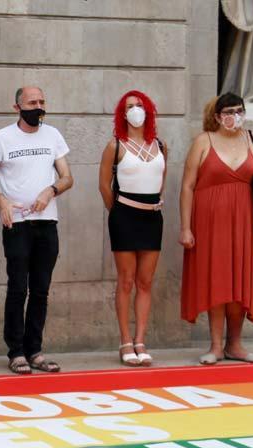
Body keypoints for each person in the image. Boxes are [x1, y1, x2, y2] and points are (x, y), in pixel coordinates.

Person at [0, 86, 73, 375]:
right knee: (18, 288)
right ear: (17, 107)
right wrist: (0, 200)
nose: (39, 106)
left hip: (47, 223)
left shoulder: (53, 135)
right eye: (32, 102)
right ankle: (15, 351)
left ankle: (35, 350)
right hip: (16, 224)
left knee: (41, 290)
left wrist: (51, 191)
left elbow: (67, 177)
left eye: (42, 101)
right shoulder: (2, 138)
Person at [180, 93, 253, 365]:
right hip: (209, 224)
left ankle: (236, 344)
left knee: (239, 282)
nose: (235, 115)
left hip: (245, 223)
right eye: (229, 111)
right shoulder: (203, 141)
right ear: (218, 116)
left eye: (239, 110)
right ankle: (216, 346)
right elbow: (187, 186)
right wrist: (186, 227)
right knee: (216, 282)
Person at [98, 90, 167, 367]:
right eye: (130, 106)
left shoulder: (160, 144)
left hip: (152, 216)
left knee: (146, 282)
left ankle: (141, 339)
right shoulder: (115, 145)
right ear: (122, 113)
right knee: (126, 280)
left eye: (140, 105)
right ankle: (125, 340)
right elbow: (104, 185)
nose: (136, 110)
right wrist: (117, 213)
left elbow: (162, 178)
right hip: (124, 215)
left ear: (148, 110)